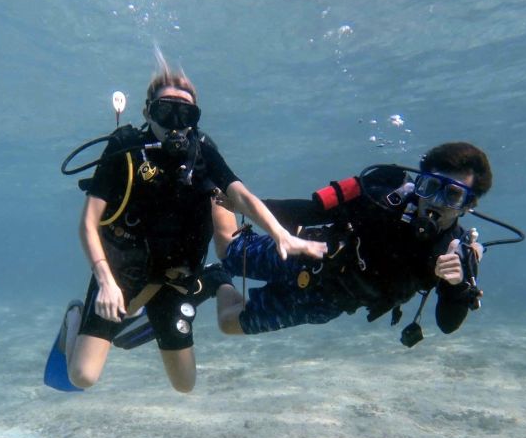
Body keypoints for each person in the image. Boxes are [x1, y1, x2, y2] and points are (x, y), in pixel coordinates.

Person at [57, 50, 326, 393]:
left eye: (185, 113)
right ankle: (75, 319)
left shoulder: (202, 150)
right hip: (122, 272)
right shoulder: (124, 147)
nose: (174, 122)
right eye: (164, 111)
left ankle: (205, 283)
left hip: (176, 279)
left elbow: (241, 195)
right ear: (147, 112)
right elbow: (88, 223)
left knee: (185, 385)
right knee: (82, 377)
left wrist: (279, 234)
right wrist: (105, 281)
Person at [205, 142, 494, 344]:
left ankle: (216, 279)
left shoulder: (456, 252)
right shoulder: (382, 192)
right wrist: (243, 205)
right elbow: (313, 211)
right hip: (306, 253)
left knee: (229, 324)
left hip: (326, 302)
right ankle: (210, 176)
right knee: (230, 254)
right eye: (430, 187)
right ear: (420, 182)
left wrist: (456, 285)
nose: (435, 202)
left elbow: (448, 324)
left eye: (453, 195)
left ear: (468, 205)